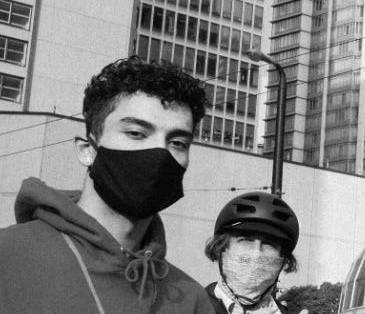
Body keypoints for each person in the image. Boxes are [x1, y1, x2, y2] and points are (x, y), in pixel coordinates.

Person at [0, 56, 215, 313]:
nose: (160, 153)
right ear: (87, 149)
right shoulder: (10, 257)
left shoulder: (190, 298)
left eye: (178, 142)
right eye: (136, 133)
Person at [203, 192, 301, 314]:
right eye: (245, 240)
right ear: (221, 248)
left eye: (269, 244)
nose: (256, 253)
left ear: (282, 261)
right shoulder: (190, 306)